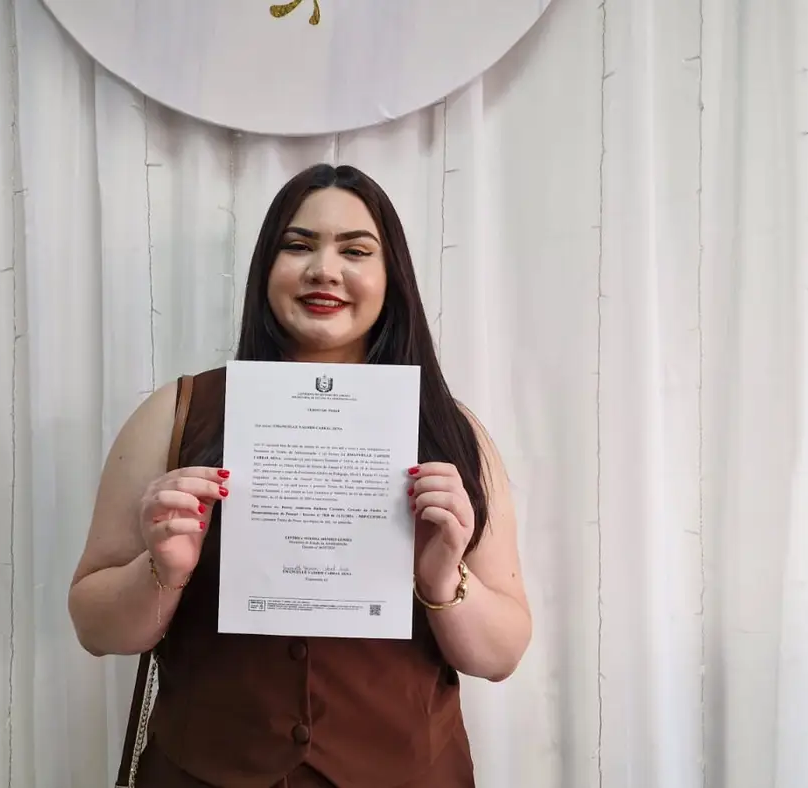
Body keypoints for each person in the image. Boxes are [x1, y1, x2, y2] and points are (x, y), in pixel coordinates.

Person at [68, 164, 532, 788]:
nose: (324, 270)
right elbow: (94, 626)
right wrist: (161, 570)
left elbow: (501, 655)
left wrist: (444, 578)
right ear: (267, 267)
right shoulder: (177, 414)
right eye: (298, 245)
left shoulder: (450, 431)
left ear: (391, 276)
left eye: (355, 251)